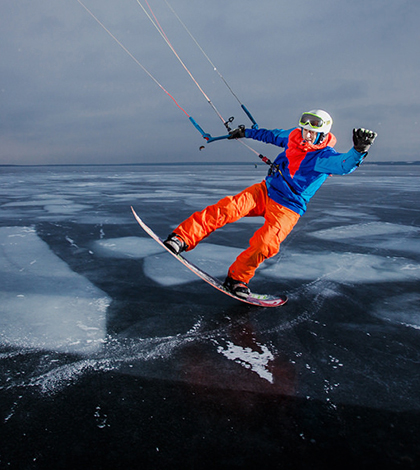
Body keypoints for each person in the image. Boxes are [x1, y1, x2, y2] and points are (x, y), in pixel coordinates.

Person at [164, 110, 377, 298]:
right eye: (305, 129)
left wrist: (359, 150)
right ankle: (181, 238)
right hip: (265, 191)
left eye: (313, 132)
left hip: (288, 207)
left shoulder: (324, 157)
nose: (307, 135)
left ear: (323, 134)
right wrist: (244, 132)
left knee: (266, 244)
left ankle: (237, 279)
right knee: (226, 209)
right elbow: (269, 135)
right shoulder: (293, 137)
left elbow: (344, 165)